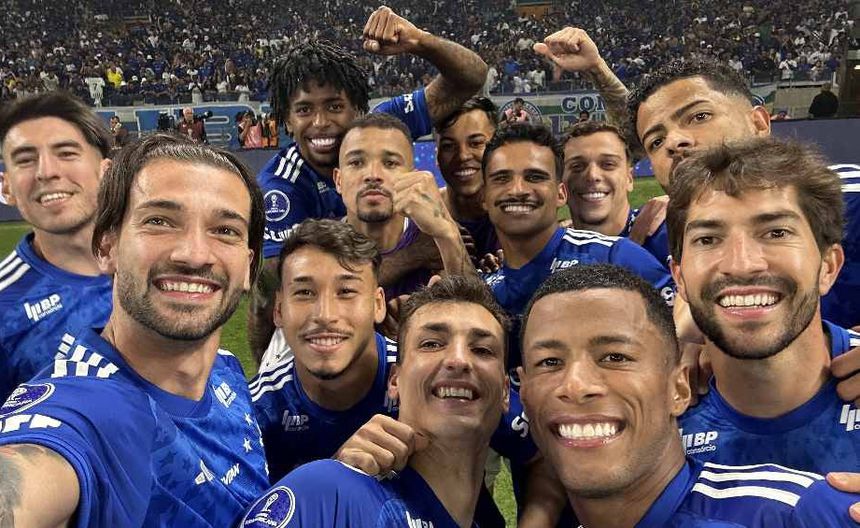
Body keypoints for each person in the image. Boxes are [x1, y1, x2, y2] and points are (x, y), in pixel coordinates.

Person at [0, 134, 269, 526]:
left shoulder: (225, 370)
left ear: (248, 266)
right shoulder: (84, 412)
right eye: (159, 222)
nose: (194, 254)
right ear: (106, 248)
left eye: (225, 230)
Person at [519, 264, 860, 527]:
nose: (576, 385)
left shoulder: (799, 513)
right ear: (525, 396)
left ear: (679, 388)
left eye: (615, 357)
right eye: (549, 362)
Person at [251, 9, 487, 362]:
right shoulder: (282, 188)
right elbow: (287, 292)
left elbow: (471, 76)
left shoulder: (384, 127)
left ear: (359, 111)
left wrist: (420, 41)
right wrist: (411, 255)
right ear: (286, 120)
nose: (321, 122)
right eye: (304, 110)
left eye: (334, 106)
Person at [627, 58, 860, 354]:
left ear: (759, 123)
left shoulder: (850, 197)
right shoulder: (653, 235)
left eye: (699, 116)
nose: (673, 141)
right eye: (656, 141)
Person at [242, 275, 510, 528]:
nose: (458, 360)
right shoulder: (327, 493)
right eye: (431, 344)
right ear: (395, 381)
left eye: (482, 350)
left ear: (505, 392)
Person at [668, 138, 860, 473]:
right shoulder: (654, 415)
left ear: (828, 267)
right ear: (680, 278)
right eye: (708, 239)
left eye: (776, 233)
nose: (741, 265)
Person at [480, 122, 674, 375]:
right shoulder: (488, 289)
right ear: (484, 197)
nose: (518, 189)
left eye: (535, 177)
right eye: (502, 178)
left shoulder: (617, 257)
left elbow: (683, 342)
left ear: (561, 194)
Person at [0, 92, 113, 402]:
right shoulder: (6, 307)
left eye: (66, 153)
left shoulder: (157, 262)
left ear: (106, 172)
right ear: (7, 188)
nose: (46, 171)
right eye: (25, 159)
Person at [334, 113, 473, 299]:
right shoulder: (315, 246)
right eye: (356, 163)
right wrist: (411, 256)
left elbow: (477, 311)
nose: (373, 175)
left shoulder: (438, 238)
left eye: (390, 163)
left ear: (414, 177)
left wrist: (447, 235)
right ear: (338, 180)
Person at [562, 120, 669, 267]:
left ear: (629, 178)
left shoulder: (666, 235)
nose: (592, 176)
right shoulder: (547, 249)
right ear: (560, 183)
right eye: (577, 166)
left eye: (608, 164)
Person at [435, 96, 500, 258]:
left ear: (498, 149)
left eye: (476, 143)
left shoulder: (519, 216)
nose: (463, 156)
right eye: (449, 146)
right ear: (437, 156)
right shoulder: (419, 224)